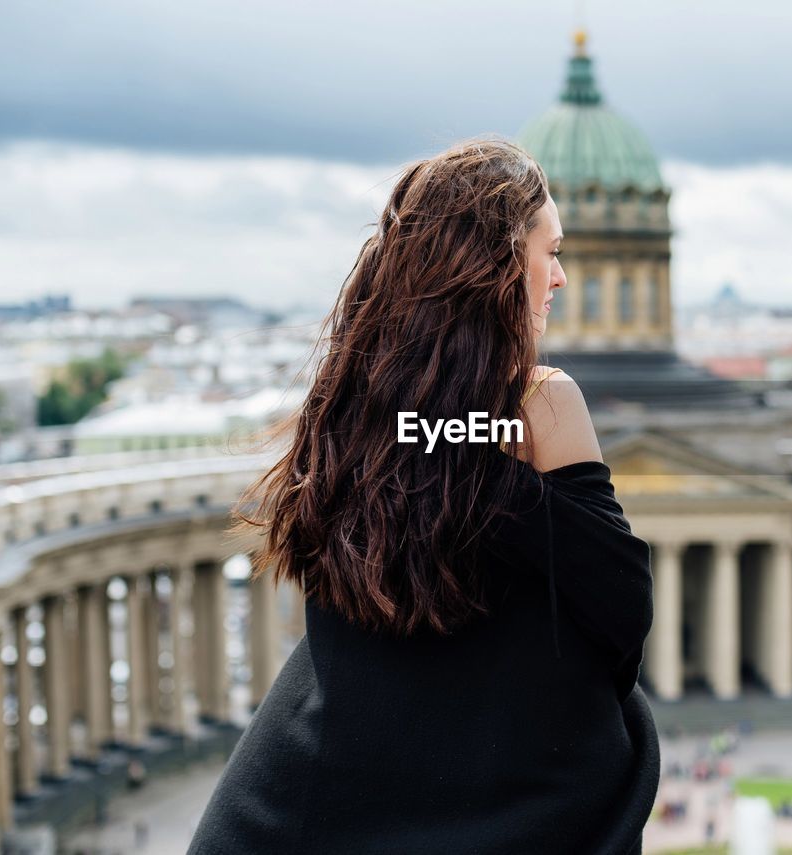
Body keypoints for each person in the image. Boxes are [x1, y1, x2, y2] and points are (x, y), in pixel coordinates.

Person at [186, 137, 659, 854]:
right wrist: (497, 471)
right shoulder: (539, 404)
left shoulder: (350, 414)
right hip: (514, 810)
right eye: (550, 251)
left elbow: (425, 447)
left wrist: (452, 448)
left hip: (308, 809)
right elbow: (623, 610)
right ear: (499, 265)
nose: (560, 277)